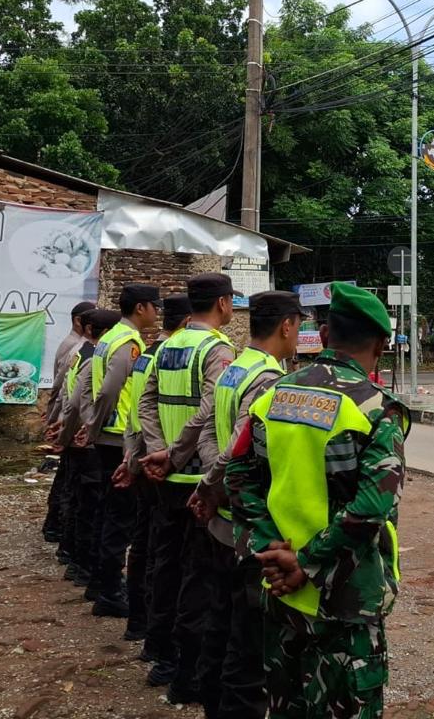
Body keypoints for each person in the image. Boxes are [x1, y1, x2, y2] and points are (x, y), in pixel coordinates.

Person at [227, 283, 410, 719]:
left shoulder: (273, 395)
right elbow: (371, 509)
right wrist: (306, 562)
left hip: (280, 590)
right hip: (345, 597)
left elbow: (238, 476)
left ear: (325, 335)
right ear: (380, 346)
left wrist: (268, 549)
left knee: (284, 704)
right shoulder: (375, 408)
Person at [189, 290, 306, 719]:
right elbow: (238, 450)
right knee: (248, 648)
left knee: (218, 627)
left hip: (222, 521)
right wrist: (212, 486)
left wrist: (209, 484)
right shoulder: (270, 379)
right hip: (247, 528)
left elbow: (207, 433)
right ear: (287, 326)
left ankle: (212, 705)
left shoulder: (235, 368)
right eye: (300, 326)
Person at [137, 273, 237, 703]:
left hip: (165, 476)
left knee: (165, 564)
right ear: (223, 303)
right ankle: (185, 669)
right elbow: (210, 410)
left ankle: (158, 649)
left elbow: (145, 401)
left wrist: (157, 450)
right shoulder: (216, 350)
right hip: (197, 480)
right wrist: (175, 455)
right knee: (198, 577)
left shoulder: (168, 345)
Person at [76, 283, 161, 617]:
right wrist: (95, 424)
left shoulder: (109, 338)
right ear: (140, 308)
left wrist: (90, 423)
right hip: (116, 437)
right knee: (120, 518)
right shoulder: (128, 342)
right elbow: (111, 389)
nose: (157, 312)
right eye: (154, 306)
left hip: (107, 435)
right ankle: (110, 590)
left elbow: (90, 386)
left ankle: (100, 582)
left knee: (107, 511)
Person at [118, 293, 192, 647]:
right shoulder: (170, 357)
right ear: (187, 322)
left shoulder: (148, 354)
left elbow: (137, 410)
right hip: (164, 464)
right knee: (158, 551)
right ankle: (151, 629)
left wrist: (131, 458)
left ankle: (141, 623)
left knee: (146, 545)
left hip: (145, 456)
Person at [52, 308, 121, 588]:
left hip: (78, 434)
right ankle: (81, 564)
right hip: (87, 438)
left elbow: (67, 396)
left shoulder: (83, 354)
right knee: (89, 506)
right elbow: (78, 399)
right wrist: (73, 433)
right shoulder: (92, 357)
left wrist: (63, 431)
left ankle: (72, 555)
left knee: (78, 499)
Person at [42, 300, 98, 544]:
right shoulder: (76, 348)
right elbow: (63, 388)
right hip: (71, 422)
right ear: (79, 322)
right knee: (70, 481)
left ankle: (56, 525)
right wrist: (55, 419)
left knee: (67, 478)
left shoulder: (80, 346)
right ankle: (58, 526)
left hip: (68, 420)